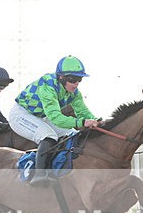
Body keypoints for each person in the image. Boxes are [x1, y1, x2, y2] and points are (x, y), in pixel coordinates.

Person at [9, 55, 101, 187]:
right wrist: (82, 122)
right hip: (21, 114)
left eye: (79, 79)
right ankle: (40, 174)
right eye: (72, 79)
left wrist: (97, 121)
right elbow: (56, 118)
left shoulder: (75, 93)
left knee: (73, 134)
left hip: (41, 116)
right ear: (61, 77)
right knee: (48, 136)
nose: (76, 83)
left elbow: (83, 113)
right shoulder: (47, 86)